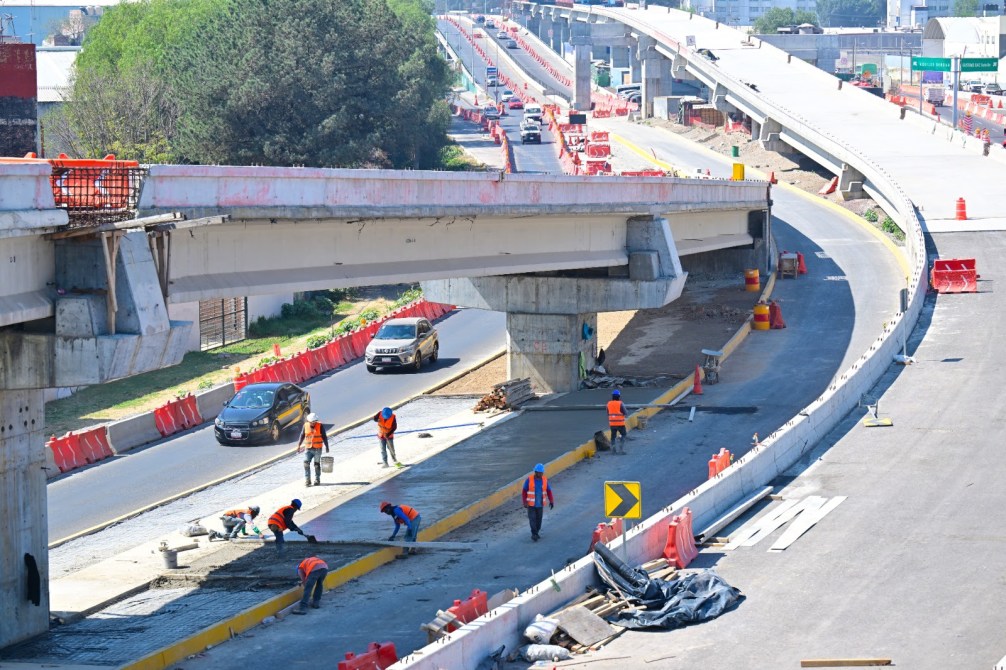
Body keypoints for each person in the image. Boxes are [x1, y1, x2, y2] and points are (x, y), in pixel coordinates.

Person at [522, 463, 553, 542]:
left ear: (542, 473)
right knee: (532, 519)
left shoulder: (545, 480)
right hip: (531, 505)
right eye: (537, 472)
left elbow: (549, 491)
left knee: (539, 520)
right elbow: (524, 491)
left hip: (540, 504)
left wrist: (551, 501)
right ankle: (534, 534)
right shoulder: (529, 480)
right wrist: (525, 502)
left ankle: (536, 532)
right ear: (535, 472)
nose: (539, 474)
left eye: (540, 472)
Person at [297, 413, 330, 487]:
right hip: (308, 448)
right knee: (306, 464)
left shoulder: (320, 425)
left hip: (317, 449)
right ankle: (307, 480)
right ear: (308, 421)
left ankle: (317, 479)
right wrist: (298, 445)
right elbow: (302, 435)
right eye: (312, 422)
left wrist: (327, 446)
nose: (313, 423)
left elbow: (324, 436)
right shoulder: (305, 425)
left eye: (314, 421)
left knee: (316, 465)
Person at [607, 389, 628, 454]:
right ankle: (621, 449)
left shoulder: (608, 403)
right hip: (620, 423)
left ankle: (613, 450)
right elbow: (625, 412)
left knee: (613, 437)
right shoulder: (620, 403)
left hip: (612, 423)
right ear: (619, 396)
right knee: (623, 434)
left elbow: (608, 413)